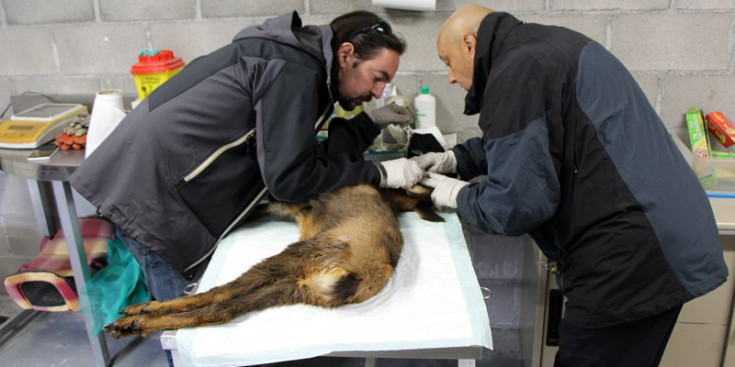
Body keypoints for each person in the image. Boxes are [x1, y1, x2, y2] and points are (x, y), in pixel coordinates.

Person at [414, 4, 728, 366]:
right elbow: (535, 141)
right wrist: (455, 160)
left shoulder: (518, 70)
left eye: (447, 61)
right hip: (662, 237)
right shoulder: (542, 48)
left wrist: (457, 195)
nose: (450, 77)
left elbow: (517, 205)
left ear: (470, 44)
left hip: (632, 255)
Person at [70, 10, 425, 302]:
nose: (379, 92)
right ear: (346, 55)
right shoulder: (295, 70)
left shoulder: (304, 67)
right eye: (377, 78)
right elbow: (290, 179)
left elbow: (301, 155)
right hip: (152, 196)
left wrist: (367, 124)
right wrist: (380, 174)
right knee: (188, 331)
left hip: (157, 184)